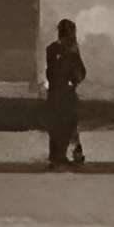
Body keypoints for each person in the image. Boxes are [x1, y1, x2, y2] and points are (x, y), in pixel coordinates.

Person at [41, 19, 84, 170]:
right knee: (67, 123)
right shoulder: (70, 50)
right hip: (65, 93)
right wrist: (72, 81)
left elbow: (49, 72)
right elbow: (80, 72)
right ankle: (62, 155)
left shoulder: (51, 49)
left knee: (57, 125)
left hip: (55, 93)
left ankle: (56, 156)